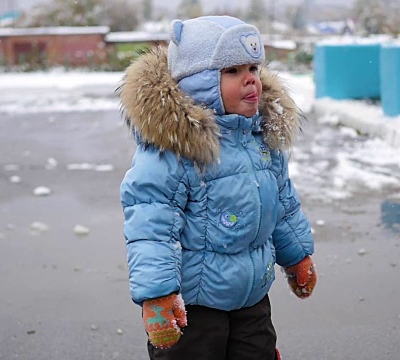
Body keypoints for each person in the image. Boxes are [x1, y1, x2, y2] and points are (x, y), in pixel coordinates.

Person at [118, 15, 316, 360]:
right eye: (232, 71)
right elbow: (152, 227)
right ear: (199, 82)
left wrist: (297, 254)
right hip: (194, 308)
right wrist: (159, 295)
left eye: (253, 67)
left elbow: (282, 205)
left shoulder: (260, 139)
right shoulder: (175, 149)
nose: (250, 79)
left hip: (252, 296)